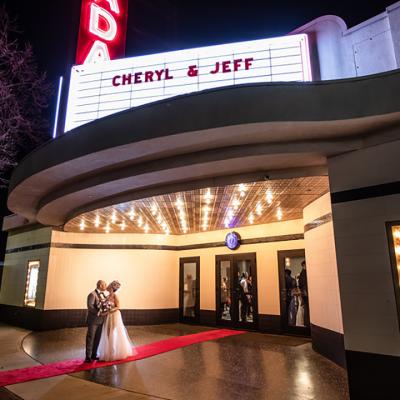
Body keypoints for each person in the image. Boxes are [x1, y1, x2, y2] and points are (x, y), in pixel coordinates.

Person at [98, 280, 134, 361]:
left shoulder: (115, 296)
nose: (108, 286)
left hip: (114, 315)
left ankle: (113, 352)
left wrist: (110, 309)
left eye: (109, 285)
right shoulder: (107, 297)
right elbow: (104, 306)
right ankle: (108, 351)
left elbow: (118, 306)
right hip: (108, 316)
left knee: (111, 332)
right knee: (107, 333)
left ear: (112, 288)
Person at [85, 280, 107, 363]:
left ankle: (94, 354)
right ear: (100, 285)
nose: (106, 286)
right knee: (90, 338)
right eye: (105, 285)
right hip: (93, 320)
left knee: (97, 338)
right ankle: (88, 357)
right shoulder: (92, 294)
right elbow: (90, 307)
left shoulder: (104, 295)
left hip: (101, 321)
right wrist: (99, 313)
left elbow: (105, 305)